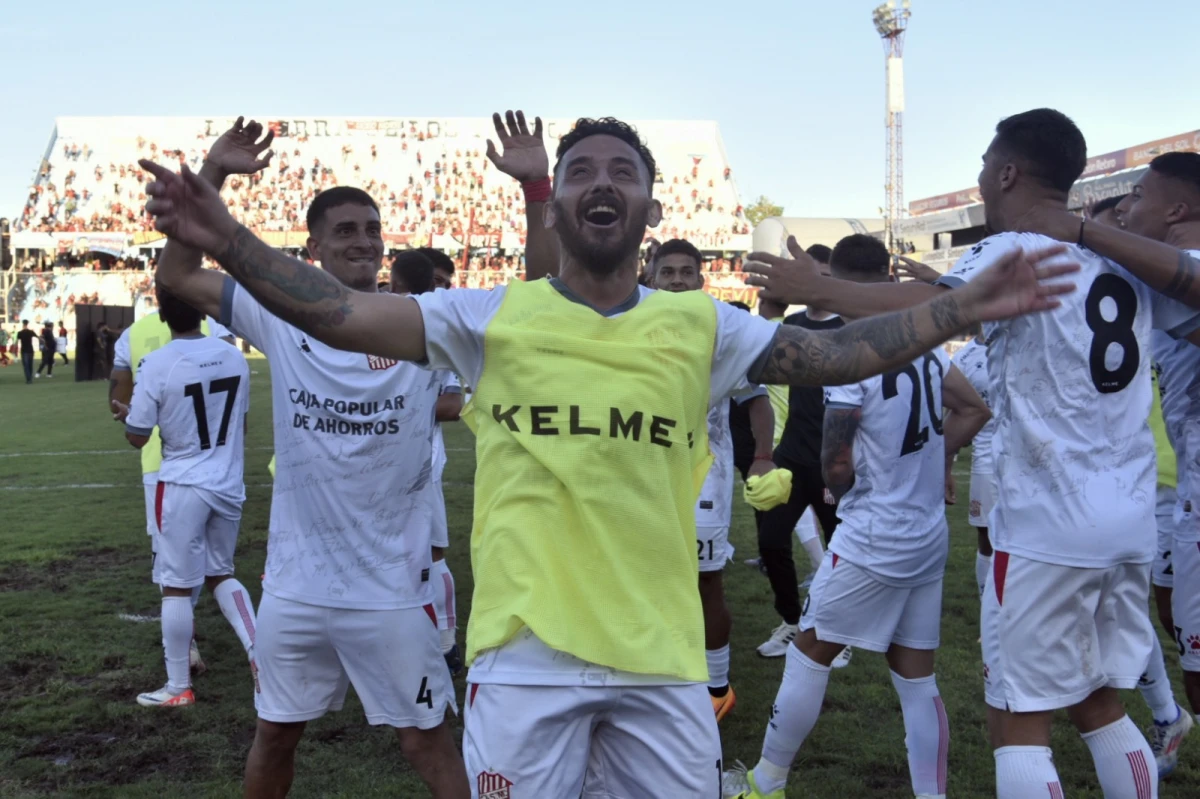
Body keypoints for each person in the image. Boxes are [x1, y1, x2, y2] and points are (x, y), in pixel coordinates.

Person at [142, 114, 1076, 799]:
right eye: (581, 167)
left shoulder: (700, 324)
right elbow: (332, 313)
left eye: (620, 170)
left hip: (662, 665)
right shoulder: (488, 315)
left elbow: (833, 354)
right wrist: (225, 235)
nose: (599, 181)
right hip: (522, 661)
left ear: (650, 203)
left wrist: (956, 307)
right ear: (570, 199)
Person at [744, 108, 1200, 798]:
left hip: (1048, 523)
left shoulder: (1011, 247)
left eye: (987, 164)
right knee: (1102, 704)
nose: (981, 177)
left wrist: (819, 289)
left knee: (1017, 722)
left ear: (1008, 171)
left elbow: (932, 301)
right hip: (1132, 519)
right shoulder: (1125, 259)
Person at [144, 118, 468, 799]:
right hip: (296, 588)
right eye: (346, 229)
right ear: (313, 244)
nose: (364, 240)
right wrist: (213, 171)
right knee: (275, 733)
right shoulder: (277, 313)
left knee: (427, 738)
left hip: (391, 590)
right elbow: (177, 272)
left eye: (372, 228)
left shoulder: (421, 322)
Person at [726, 324, 990, 799]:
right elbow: (973, 408)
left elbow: (837, 462)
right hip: (927, 533)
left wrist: (852, 496)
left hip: (875, 533)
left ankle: (764, 785)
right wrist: (936, 462)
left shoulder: (854, 351)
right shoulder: (928, 351)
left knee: (807, 653)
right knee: (916, 676)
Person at [651, 237, 775, 722]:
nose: (677, 280)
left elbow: (755, 399)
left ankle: (716, 687)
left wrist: (762, 455)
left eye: (686, 271)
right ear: (652, 277)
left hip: (706, 477)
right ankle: (659, 674)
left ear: (700, 278)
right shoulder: (629, 322)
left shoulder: (719, 328)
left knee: (706, 582)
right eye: (668, 272)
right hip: (641, 474)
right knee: (647, 577)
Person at [120, 288, 256, 707]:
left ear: (162, 315)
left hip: (181, 482)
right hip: (228, 480)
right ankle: (263, 658)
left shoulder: (157, 363)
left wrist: (127, 415)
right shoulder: (234, 356)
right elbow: (243, 422)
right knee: (222, 573)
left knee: (176, 585)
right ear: (203, 312)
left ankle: (178, 686)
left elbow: (137, 435)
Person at [392, 249, 465, 675]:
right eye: (436, 280)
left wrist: (394, 408)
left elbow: (453, 405)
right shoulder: (373, 321)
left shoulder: (443, 334)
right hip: (369, 459)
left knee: (432, 553)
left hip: (422, 460)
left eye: (445, 283)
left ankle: (445, 642)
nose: (440, 290)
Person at [949, 327, 995, 599]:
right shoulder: (964, 358)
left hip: (1028, 458)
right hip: (986, 458)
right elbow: (953, 412)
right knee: (987, 537)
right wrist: (948, 462)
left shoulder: (1023, 342)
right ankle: (988, 613)